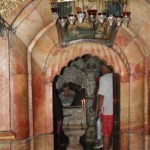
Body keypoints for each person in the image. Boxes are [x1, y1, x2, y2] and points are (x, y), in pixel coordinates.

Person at [97, 63, 113, 150]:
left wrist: (99, 110)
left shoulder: (103, 78)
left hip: (107, 111)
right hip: (117, 111)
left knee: (106, 135)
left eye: (101, 68)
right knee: (115, 135)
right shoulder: (116, 76)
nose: (100, 70)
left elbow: (101, 97)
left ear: (103, 67)